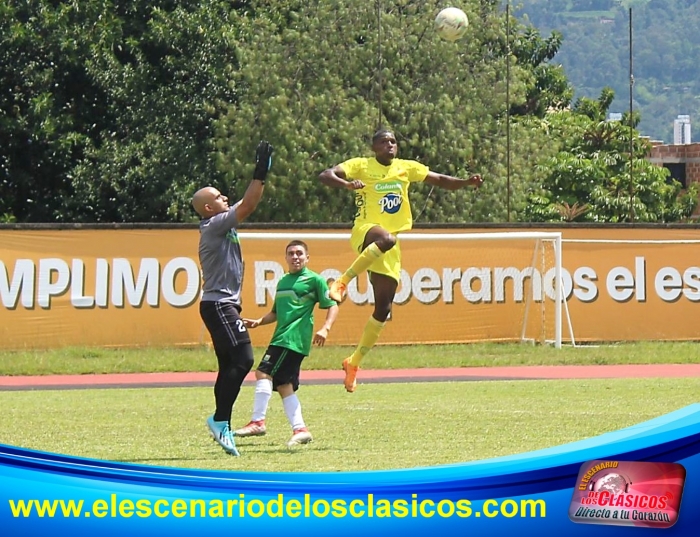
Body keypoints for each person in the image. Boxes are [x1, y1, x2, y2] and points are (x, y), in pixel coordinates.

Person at [318, 128, 483, 393]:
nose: (389, 145)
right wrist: (347, 184)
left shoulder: (406, 168)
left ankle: (354, 362)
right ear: (374, 147)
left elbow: (439, 179)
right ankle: (341, 281)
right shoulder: (361, 165)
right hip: (366, 231)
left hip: (388, 244)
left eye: (393, 141)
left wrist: (465, 183)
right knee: (386, 239)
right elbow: (326, 175)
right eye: (383, 142)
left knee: (383, 310)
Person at [192, 139, 274, 456]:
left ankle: (220, 422)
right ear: (209, 208)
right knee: (244, 360)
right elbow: (249, 204)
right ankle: (220, 419)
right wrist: (260, 171)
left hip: (221, 305)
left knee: (229, 365)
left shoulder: (218, 221)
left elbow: (245, 202)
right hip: (219, 304)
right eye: (218, 196)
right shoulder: (214, 223)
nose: (224, 197)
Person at [234, 240, 338, 448]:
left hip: (292, 339)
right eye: (291, 253)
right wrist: (258, 322)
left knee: (263, 373)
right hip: (282, 336)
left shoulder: (314, 280)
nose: (295, 257)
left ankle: (257, 421)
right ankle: (300, 429)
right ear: (286, 258)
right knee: (284, 386)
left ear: (307, 258)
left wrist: (326, 327)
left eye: (300, 253)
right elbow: (275, 313)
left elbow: (332, 304)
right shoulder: (282, 282)